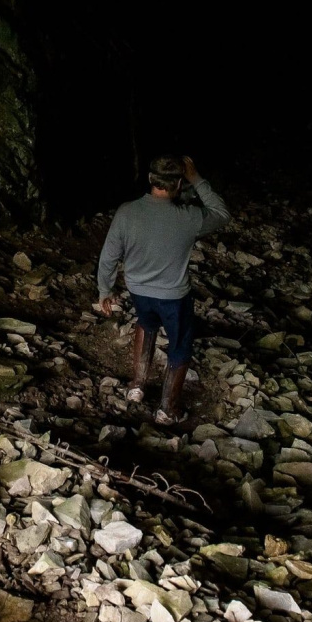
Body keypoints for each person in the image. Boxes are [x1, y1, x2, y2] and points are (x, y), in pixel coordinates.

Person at [95, 154, 231, 422]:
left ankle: (137, 386)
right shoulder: (190, 217)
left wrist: (104, 290)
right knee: (180, 344)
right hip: (173, 296)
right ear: (179, 183)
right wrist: (198, 179)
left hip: (138, 290)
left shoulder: (127, 211)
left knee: (146, 323)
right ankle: (168, 408)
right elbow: (222, 214)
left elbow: (109, 255)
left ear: (150, 179)